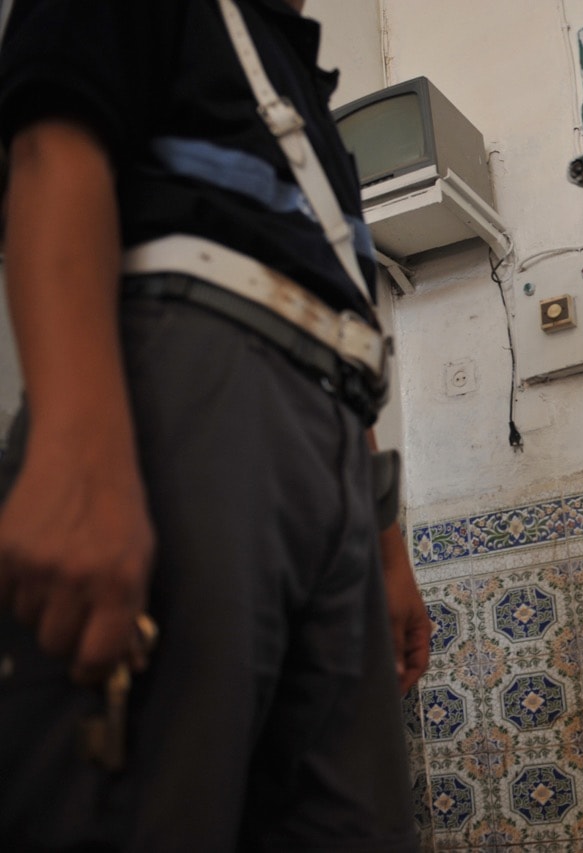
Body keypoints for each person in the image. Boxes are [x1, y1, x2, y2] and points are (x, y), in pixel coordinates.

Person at [0, 1, 430, 849]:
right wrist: (75, 452)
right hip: (190, 391)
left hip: (333, 430)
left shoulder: (298, 91)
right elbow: (52, 151)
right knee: (150, 809)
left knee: (353, 824)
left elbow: (339, 323)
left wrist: (388, 550)